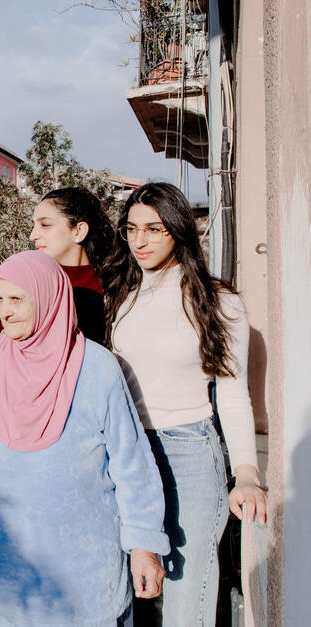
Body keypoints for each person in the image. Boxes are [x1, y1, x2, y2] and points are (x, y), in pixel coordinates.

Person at [0, 250, 170, 626]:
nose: (4, 311)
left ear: (48, 298)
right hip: (6, 570)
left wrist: (143, 545)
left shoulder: (96, 368)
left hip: (83, 575)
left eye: (16, 299)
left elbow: (131, 463)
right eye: (0, 298)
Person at [103, 182, 268, 626]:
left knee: (187, 597)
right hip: (126, 452)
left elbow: (232, 393)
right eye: (131, 229)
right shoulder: (121, 294)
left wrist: (246, 475)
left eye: (153, 229)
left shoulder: (219, 301)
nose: (139, 241)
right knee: (122, 591)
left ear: (178, 230)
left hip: (188, 454)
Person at [0, 187, 114, 345]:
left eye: (45, 225)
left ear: (79, 231)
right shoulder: (21, 278)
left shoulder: (115, 284)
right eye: (34, 226)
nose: (32, 236)